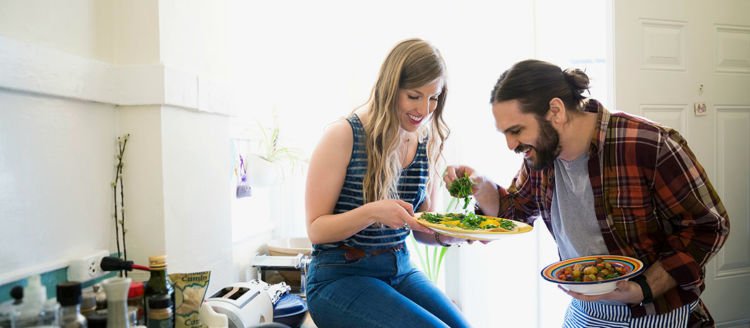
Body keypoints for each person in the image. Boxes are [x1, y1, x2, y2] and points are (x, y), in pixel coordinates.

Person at [443, 59, 730, 327]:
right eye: (504, 133)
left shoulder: (648, 144)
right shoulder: (540, 157)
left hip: (654, 310)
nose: (510, 144)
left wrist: (643, 288)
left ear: (555, 111)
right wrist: (480, 185)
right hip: (585, 311)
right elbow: (514, 212)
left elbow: (709, 226)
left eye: (516, 130)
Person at [304, 38, 471, 328]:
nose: (425, 109)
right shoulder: (344, 135)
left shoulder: (427, 141)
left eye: (434, 98)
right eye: (414, 96)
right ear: (390, 89)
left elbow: (423, 229)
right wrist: (372, 212)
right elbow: (316, 229)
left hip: (400, 268)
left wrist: (461, 232)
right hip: (339, 276)